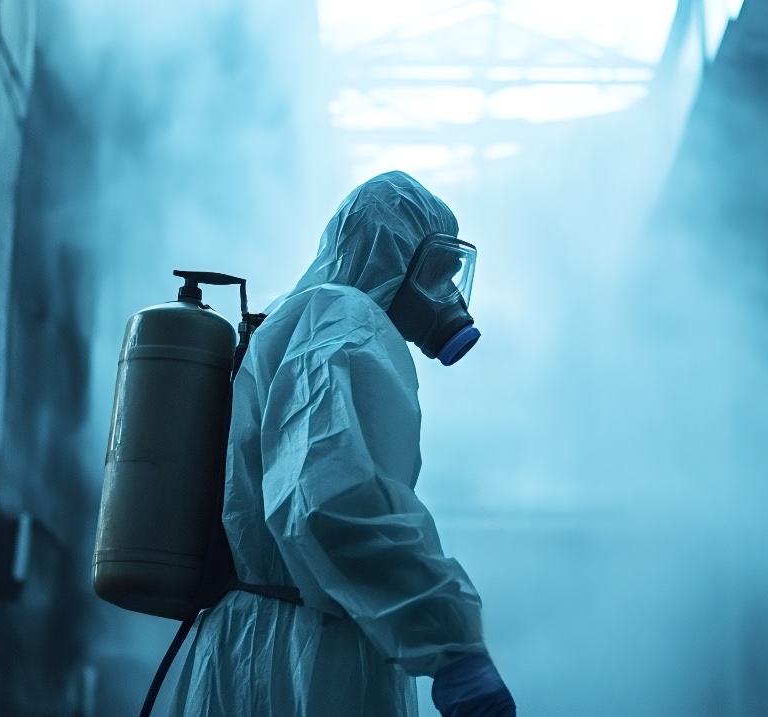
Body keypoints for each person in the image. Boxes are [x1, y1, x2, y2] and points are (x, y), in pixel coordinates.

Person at [168, 171, 516, 716]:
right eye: (434, 272)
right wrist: (449, 645)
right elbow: (329, 497)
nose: (445, 296)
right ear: (388, 256)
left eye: (452, 276)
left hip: (252, 644)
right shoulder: (345, 317)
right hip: (304, 656)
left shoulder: (297, 320)